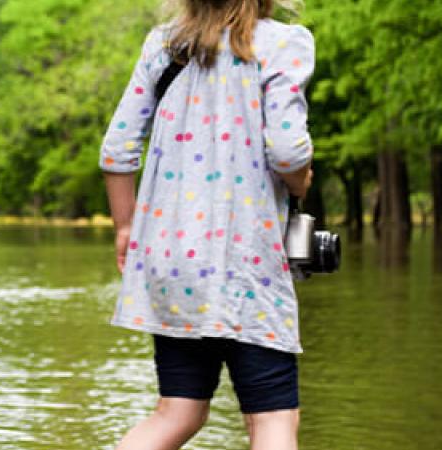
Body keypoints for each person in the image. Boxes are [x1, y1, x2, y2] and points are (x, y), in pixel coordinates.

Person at [98, 0, 315, 449]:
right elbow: (289, 152)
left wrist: (125, 228)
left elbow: (116, 150)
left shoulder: (164, 45)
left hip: (171, 262)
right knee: (273, 419)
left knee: (176, 412)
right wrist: (300, 182)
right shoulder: (281, 42)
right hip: (247, 265)